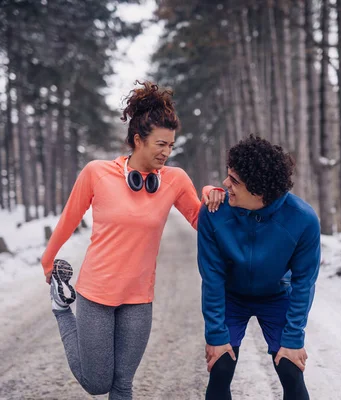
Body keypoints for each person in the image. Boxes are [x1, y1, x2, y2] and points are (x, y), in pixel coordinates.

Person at [40, 81, 224, 400]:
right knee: (97, 383)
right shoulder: (96, 173)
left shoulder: (175, 180)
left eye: (171, 145)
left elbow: (201, 221)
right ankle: (60, 309)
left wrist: (210, 194)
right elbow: (69, 218)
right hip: (95, 293)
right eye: (160, 144)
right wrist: (48, 260)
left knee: (123, 384)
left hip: (139, 298)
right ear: (138, 140)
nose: (166, 152)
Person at [197, 135, 321, 400]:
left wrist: (293, 339)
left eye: (235, 181)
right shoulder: (213, 212)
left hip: (276, 296)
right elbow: (212, 278)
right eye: (228, 175)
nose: (225, 184)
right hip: (231, 296)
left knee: (290, 367)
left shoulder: (303, 219)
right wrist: (216, 334)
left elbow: (304, 282)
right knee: (220, 365)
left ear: (259, 190)